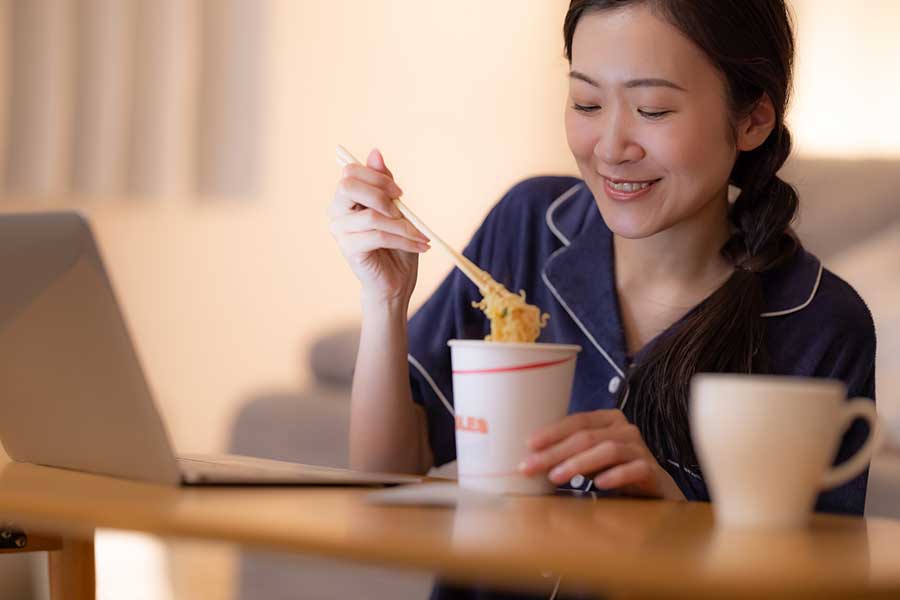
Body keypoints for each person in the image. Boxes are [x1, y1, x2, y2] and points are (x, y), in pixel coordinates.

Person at [328, 0, 876, 597]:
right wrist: (386, 301)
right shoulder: (530, 227)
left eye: (652, 109)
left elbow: (820, 582)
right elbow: (385, 473)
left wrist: (677, 522)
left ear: (752, 120)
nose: (611, 146)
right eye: (586, 103)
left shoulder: (821, 322)